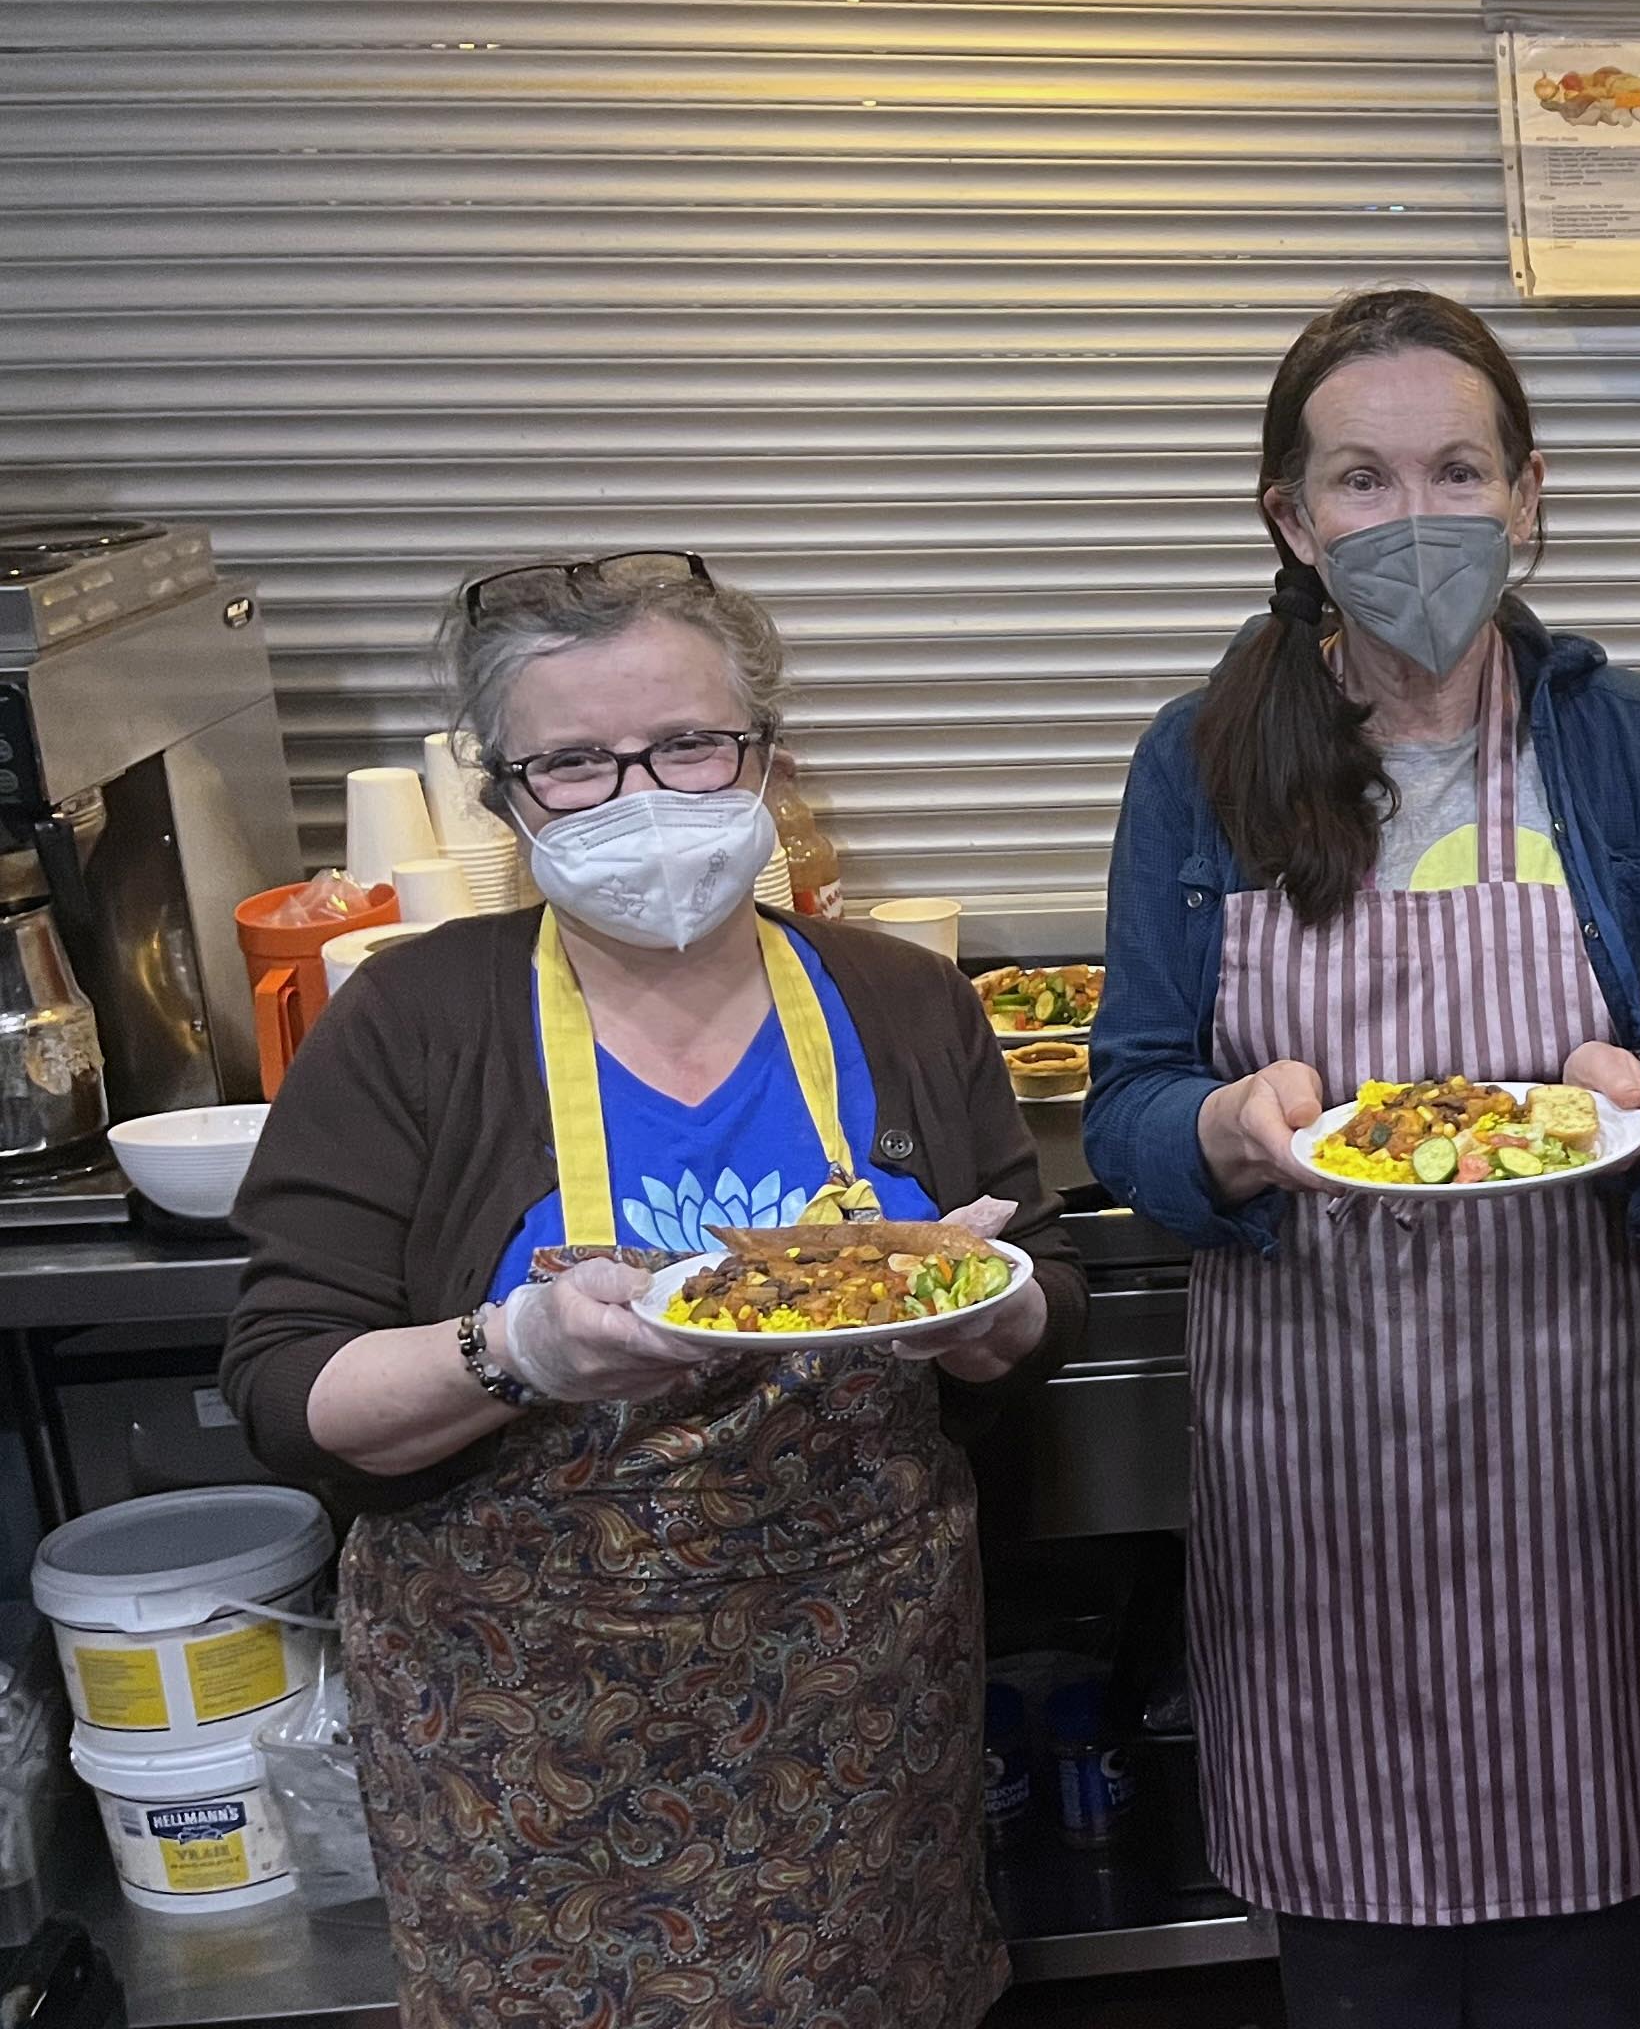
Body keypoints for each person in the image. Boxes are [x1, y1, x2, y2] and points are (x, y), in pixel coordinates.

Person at [220, 550, 1077, 2029]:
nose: (642, 798)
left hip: (857, 1735)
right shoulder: (416, 1025)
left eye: (689, 744)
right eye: (571, 763)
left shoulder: (900, 998)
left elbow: (1044, 1285)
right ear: (504, 799)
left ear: (766, 762)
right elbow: (288, 1391)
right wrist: (517, 1354)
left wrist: (1001, 1316)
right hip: (531, 1768)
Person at [1086, 289, 1640, 2025]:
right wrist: (1221, 1130)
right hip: (1320, 1441)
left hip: (1574, 1434)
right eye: (1364, 481)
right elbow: (1126, 1095)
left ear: (1530, 494)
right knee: (1361, 1955)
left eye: (1460, 469)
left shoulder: (1620, 739)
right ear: (1293, 522)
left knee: (1583, 1942)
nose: (1420, 516)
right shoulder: (1201, 759)